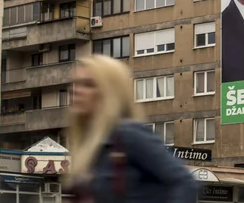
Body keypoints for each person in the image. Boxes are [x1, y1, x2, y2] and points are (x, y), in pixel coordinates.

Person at [65, 55, 199, 203]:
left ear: (109, 92)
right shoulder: (91, 146)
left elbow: (185, 183)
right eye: (75, 83)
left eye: (88, 84)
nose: (75, 91)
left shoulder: (128, 135)